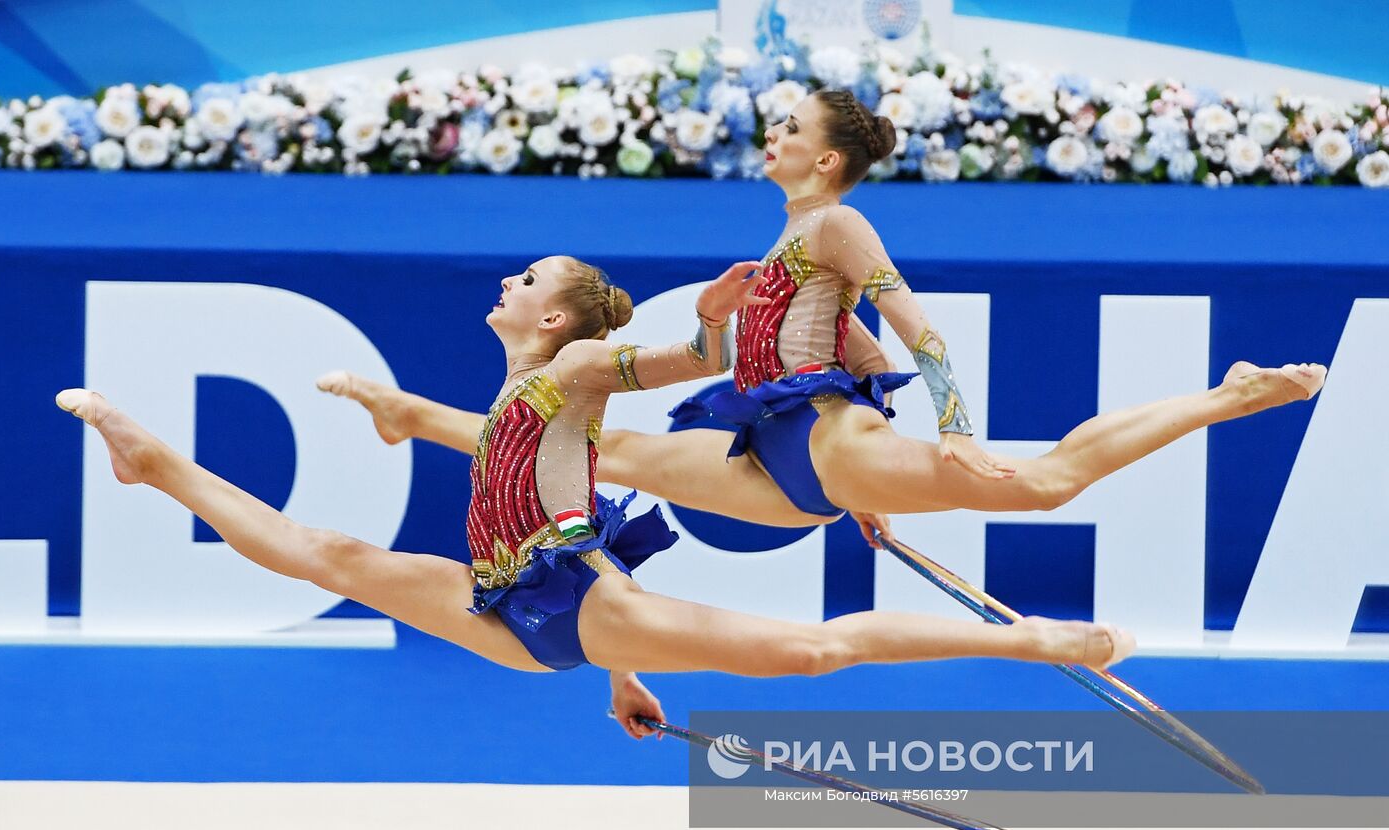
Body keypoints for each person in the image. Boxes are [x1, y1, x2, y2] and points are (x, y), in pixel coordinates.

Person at [57, 255, 1135, 742]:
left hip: (568, 604)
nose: (507, 286)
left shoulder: (571, 372)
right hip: (513, 609)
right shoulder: (529, 389)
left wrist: (712, 327)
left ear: (560, 320)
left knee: (812, 654)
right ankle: (155, 464)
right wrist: (618, 678)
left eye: (527, 281)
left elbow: (672, 366)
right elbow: (530, 477)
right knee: (323, 555)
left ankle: (1028, 643)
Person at [319, 89, 1325, 547]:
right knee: (600, 450)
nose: (773, 134)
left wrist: (953, 437)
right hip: (786, 456)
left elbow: (919, 334)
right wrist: (867, 470)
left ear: (827, 159)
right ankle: (408, 413)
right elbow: (859, 348)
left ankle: (1224, 396)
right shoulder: (781, 251)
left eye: (790, 128)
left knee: (1050, 481)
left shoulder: (838, 225)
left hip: (819, 444)